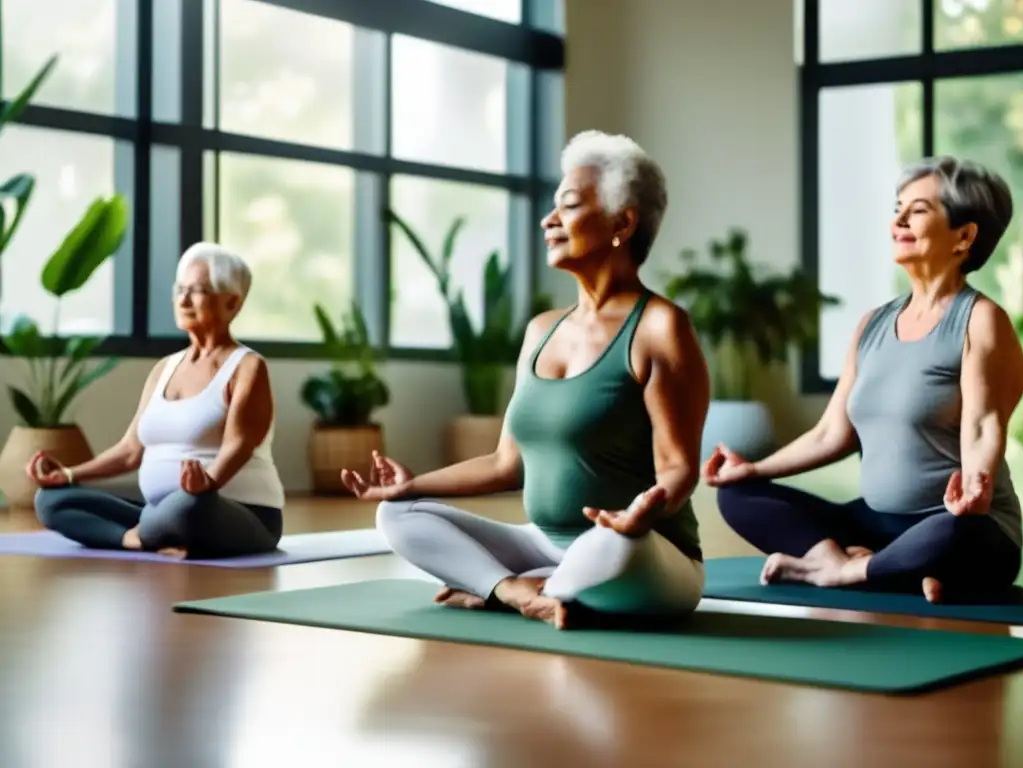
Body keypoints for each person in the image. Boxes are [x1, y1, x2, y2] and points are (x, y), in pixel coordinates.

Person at [341, 130, 712, 630]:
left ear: (622, 222)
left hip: (640, 552)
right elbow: (504, 462)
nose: (548, 220)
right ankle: (516, 590)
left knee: (608, 545)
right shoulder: (542, 330)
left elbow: (678, 467)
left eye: (570, 206)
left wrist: (643, 513)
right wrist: (412, 486)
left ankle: (499, 587)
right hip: (543, 543)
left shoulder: (660, 327)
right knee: (398, 516)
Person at [707, 155, 1023, 603]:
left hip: (957, 523)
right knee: (738, 496)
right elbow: (830, 435)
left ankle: (844, 570)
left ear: (964, 236)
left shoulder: (982, 321)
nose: (899, 219)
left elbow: (983, 424)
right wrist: (752, 469)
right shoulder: (873, 324)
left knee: (955, 534)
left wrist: (976, 484)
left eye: (918, 210)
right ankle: (874, 566)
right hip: (876, 524)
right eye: (898, 207)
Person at [28, 242, 285, 560]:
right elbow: (129, 451)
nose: (184, 299)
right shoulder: (164, 368)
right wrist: (68, 475)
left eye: (199, 290)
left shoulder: (247, 366)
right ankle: (134, 538)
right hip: (160, 510)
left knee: (188, 506)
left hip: (232, 511)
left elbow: (240, 444)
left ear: (232, 302)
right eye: (180, 289)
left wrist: (207, 483)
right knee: (50, 500)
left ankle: (152, 530)